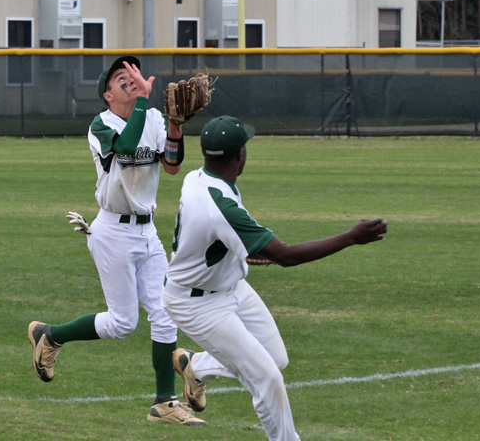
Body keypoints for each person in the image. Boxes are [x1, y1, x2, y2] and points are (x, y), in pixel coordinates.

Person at [161, 115, 388, 441]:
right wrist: (351, 237)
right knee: (267, 377)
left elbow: (217, 236)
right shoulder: (220, 205)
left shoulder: (199, 178)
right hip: (195, 304)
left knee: (276, 359)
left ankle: (197, 367)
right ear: (239, 155)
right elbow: (287, 256)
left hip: (228, 284)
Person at [28, 55, 206, 426]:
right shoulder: (101, 124)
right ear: (108, 95)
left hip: (147, 230)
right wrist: (143, 100)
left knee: (164, 312)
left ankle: (164, 402)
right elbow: (124, 150)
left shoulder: (153, 118)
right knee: (123, 324)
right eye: (119, 77)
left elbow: (171, 165)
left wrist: (174, 125)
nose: (128, 78)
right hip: (112, 232)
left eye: (132, 73)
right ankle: (50, 335)